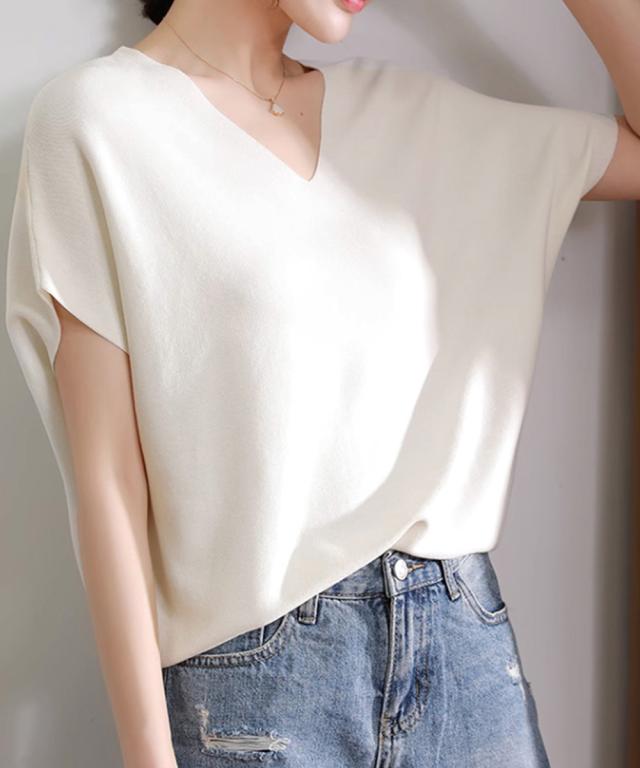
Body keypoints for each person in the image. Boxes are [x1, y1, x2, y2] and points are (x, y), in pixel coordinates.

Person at [4, 0, 639, 766]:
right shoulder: (97, 120)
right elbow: (107, 482)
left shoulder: (412, 114)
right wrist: (147, 752)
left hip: (465, 656)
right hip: (258, 690)